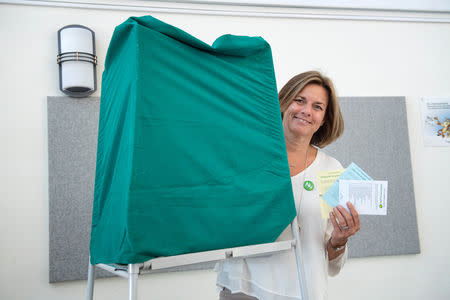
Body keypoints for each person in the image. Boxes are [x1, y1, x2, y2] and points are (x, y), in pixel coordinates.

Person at [215, 71, 361, 300]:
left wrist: (340, 240)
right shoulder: (248, 158)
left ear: (324, 119)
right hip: (244, 286)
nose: (306, 111)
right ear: (283, 103)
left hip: (303, 290)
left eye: (317, 107)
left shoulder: (332, 170)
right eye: (299, 100)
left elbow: (333, 259)